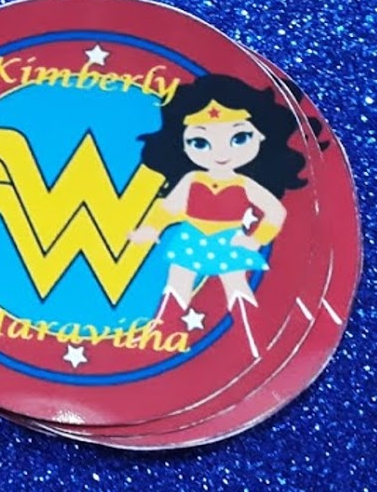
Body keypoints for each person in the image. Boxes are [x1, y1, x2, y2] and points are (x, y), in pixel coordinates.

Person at [128, 74, 306, 359]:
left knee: (236, 287)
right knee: (177, 283)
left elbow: (276, 211)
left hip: (228, 240)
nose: (221, 152)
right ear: (182, 143)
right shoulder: (191, 179)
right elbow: (168, 208)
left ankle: (252, 340)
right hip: (191, 237)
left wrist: (256, 239)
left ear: (261, 136)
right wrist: (151, 229)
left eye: (239, 138)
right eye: (200, 142)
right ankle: (159, 335)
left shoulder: (245, 184)